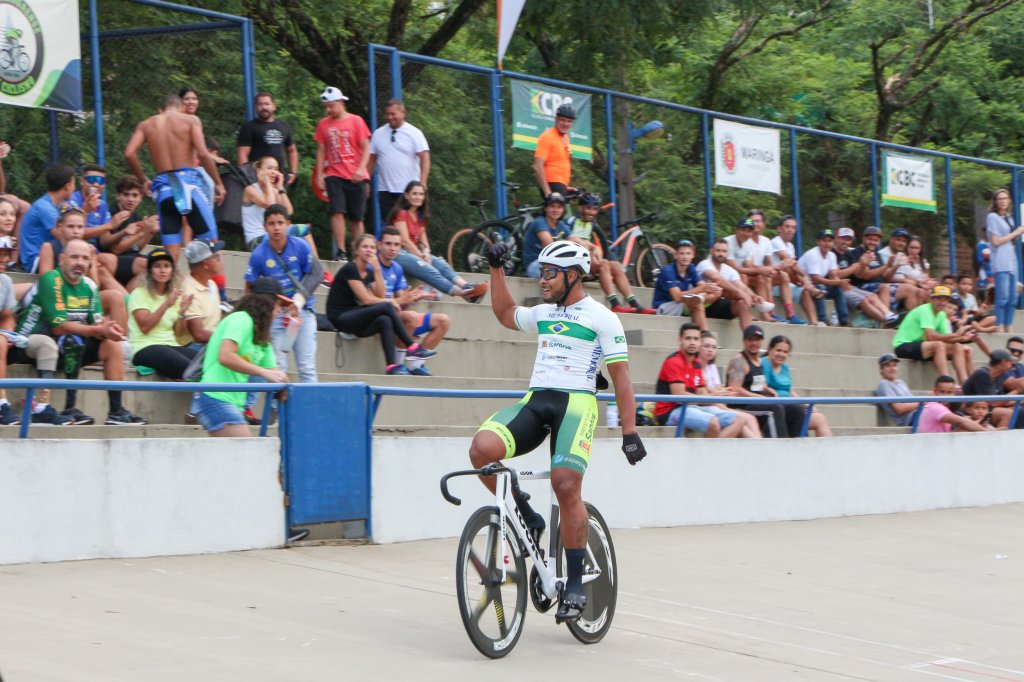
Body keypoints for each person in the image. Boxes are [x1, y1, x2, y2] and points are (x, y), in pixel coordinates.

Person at [469, 239, 646, 623]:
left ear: (573, 276)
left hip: (577, 405)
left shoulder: (603, 318)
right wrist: (496, 268)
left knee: (565, 485)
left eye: (550, 273)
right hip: (536, 401)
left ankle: (576, 584)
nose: (543, 280)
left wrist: (630, 433)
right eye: (541, 273)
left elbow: (621, 377)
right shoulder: (544, 312)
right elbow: (505, 313)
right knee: (481, 450)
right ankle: (526, 513)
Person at [15, 239, 147, 425]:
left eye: (85, 258)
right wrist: (97, 329)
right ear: (62, 259)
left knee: (111, 346)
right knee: (72, 340)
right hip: (30, 344)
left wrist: (108, 330)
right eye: (74, 257)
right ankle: (69, 408)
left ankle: (116, 412)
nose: (80, 263)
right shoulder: (52, 280)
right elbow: (59, 326)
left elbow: (96, 323)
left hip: (62, 345)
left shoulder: (90, 286)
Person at [123, 93, 226, 262]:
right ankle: (216, 280)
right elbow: (203, 154)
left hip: (164, 190)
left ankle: (171, 279)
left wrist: (143, 180)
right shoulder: (191, 120)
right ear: (183, 108)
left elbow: (129, 153)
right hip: (189, 187)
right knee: (212, 247)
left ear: (160, 110)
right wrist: (218, 183)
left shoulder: (146, 124)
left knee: (170, 255)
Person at [190, 277, 290, 437]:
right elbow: (225, 356)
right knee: (246, 448)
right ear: (266, 303)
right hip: (214, 397)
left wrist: (284, 384)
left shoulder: (262, 336)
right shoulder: (241, 319)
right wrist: (262, 372)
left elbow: (274, 373)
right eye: (278, 304)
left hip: (233, 403)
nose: (279, 311)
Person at [326, 233, 437, 375]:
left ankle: (391, 366)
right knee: (386, 306)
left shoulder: (369, 272)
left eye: (372, 247)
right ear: (356, 250)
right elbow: (366, 300)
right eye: (365, 247)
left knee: (385, 320)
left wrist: (377, 270)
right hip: (340, 318)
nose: (369, 250)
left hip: (355, 318)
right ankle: (412, 346)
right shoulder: (351, 268)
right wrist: (390, 301)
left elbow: (380, 295)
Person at [244, 204, 320, 385]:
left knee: (307, 367)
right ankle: (279, 403)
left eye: (280, 223)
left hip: (302, 313)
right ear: (264, 227)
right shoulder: (258, 254)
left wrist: (299, 300)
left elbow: (316, 273)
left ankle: (311, 403)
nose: (276, 228)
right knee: (278, 368)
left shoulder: (301, 246)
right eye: (271, 224)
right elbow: (250, 285)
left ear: (288, 224)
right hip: (276, 315)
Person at [654, 322, 760, 438]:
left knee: (739, 420)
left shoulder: (696, 364)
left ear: (699, 342)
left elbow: (701, 393)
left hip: (691, 407)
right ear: (680, 340)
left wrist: (715, 396)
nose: (692, 342)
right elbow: (679, 396)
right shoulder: (674, 361)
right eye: (688, 338)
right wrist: (711, 396)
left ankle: (714, 449)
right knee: (713, 423)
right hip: (670, 411)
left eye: (696, 339)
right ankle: (711, 449)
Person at [388, 181, 487, 301]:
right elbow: (404, 241)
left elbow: (423, 241)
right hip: (399, 253)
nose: (418, 197)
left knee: (440, 263)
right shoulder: (401, 213)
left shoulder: (420, 216)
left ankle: (466, 286)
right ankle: (463, 293)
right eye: (414, 193)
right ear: (406, 195)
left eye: (421, 194)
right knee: (428, 268)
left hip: (415, 253)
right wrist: (421, 257)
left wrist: (427, 254)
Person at [377, 227, 450, 376]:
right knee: (410, 316)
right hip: (379, 317)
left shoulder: (397, 268)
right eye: (388, 243)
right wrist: (403, 299)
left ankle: (414, 365)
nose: (392, 248)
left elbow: (402, 304)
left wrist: (413, 297)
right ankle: (398, 364)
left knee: (443, 321)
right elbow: (373, 302)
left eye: (396, 244)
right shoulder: (372, 266)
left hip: (397, 315)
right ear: (379, 245)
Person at [567, 193, 653, 314]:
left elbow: (602, 243)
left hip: (586, 262)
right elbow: (566, 240)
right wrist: (591, 249)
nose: (591, 212)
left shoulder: (591, 224)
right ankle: (615, 304)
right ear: (580, 208)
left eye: (594, 209)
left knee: (616, 266)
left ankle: (635, 305)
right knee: (604, 264)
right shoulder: (571, 221)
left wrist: (600, 254)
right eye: (588, 208)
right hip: (571, 263)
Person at [314, 86, 372, 261]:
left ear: (340, 102)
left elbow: (366, 147)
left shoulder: (356, 121)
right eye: (326, 107)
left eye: (331, 106)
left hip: (356, 175)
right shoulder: (323, 124)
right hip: (334, 173)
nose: (329, 110)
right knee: (337, 211)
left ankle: (358, 253)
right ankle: (341, 251)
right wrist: (319, 174)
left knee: (357, 218)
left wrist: (362, 168)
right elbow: (321, 150)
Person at [126, 249, 199, 379]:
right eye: (157, 266)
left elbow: (179, 333)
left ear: (172, 271)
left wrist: (182, 313)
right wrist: (166, 304)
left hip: (171, 344)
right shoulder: (139, 293)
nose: (162, 270)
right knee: (190, 369)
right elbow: (145, 327)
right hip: (143, 346)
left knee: (205, 363)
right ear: (150, 271)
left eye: (166, 266)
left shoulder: (173, 295)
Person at [725, 324, 803, 437]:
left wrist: (767, 391)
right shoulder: (739, 361)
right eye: (750, 339)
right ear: (744, 341)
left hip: (757, 403)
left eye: (757, 340)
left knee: (796, 409)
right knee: (774, 408)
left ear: (762, 341)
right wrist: (758, 397)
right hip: (740, 405)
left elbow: (756, 385)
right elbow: (734, 390)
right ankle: (779, 445)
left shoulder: (759, 361)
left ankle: (796, 443)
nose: (754, 343)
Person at [892, 285, 975, 384]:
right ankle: (946, 382)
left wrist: (962, 339)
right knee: (938, 345)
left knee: (958, 347)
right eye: (939, 299)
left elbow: (947, 338)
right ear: (932, 299)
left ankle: (965, 384)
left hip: (922, 345)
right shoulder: (925, 310)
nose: (942, 302)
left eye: (945, 300)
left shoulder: (941, 314)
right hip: (903, 345)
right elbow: (930, 336)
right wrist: (956, 334)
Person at [368, 99, 431, 222]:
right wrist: (365, 182)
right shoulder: (378, 134)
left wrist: (423, 182)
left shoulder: (414, 133)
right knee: (390, 227)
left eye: (393, 114)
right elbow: (372, 159)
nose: (390, 117)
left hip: (408, 191)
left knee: (409, 225)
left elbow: (425, 157)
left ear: (403, 112)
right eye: (387, 114)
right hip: (385, 190)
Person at [761, 334, 832, 436]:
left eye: (785, 352)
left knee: (819, 419)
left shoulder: (785, 367)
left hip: (792, 407)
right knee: (797, 411)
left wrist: (805, 404)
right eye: (778, 350)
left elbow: (789, 390)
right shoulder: (764, 363)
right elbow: (762, 388)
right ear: (770, 349)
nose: (781, 354)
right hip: (778, 409)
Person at [95, 176, 159, 287]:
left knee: (161, 261)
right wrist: (141, 233)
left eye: (135, 195)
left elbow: (135, 248)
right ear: (118, 195)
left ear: (141, 198)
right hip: (114, 260)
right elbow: (116, 249)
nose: (131, 199)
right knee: (152, 266)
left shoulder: (135, 216)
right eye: (126, 194)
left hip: (130, 258)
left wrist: (150, 232)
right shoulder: (111, 214)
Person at [696, 239, 766, 332]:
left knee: (742, 303)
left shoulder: (729, 270)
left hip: (722, 306)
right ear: (711, 251)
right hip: (705, 306)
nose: (721, 254)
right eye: (718, 250)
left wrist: (753, 296)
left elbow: (742, 286)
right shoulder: (704, 264)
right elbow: (717, 279)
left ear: (727, 253)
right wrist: (739, 292)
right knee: (730, 293)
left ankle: (749, 336)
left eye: (724, 251)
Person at [724, 216, 784, 323]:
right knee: (743, 276)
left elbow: (748, 266)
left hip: (736, 277)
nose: (746, 233)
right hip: (724, 277)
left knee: (760, 278)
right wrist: (760, 270)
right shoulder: (728, 242)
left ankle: (765, 314)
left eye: (749, 231)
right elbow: (733, 268)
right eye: (743, 230)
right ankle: (746, 312)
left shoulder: (748, 245)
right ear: (736, 229)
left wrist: (764, 271)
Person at [832, 227, 896, 326]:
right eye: (843, 238)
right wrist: (859, 264)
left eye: (848, 239)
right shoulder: (832, 253)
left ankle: (889, 315)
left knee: (873, 296)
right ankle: (886, 321)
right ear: (836, 238)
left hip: (849, 286)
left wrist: (863, 265)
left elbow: (858, 274)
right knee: (865, 300)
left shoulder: (848, 254)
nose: (845, 242)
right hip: (837, 288)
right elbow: (837, 274)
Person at [17, 165, 75, 273]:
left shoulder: (55, 206)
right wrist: (107, 226)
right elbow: (65, 236)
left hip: (46, 255)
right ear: (67, 186)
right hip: (34, 260)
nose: (74, 189)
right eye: (74, 184)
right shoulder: (45, 207)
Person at [652, 239, 722, 327]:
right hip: (665, 307)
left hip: (682, 304)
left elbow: (703, 285)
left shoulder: (691, 267)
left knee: (717, 293)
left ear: (693, 255)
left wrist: (711, 288)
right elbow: (677, 297)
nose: (685, 257)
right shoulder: (668, 271)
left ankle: (700, 302)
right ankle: (704, 333)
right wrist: (702, 290)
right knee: (697, 304)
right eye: (682, 253)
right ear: (676, 255)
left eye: (688, 253)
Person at [236, 91, 299, 186]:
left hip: (279, 180)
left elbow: (292, 151)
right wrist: (249, 177)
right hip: (259, 180)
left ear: (274, 106)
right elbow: (242, 154)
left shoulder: (284, 126)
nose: (264, 107)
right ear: (256, 107)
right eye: (260, 104)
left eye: (267, 104)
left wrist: (293, 172)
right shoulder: (249, 127)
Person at [985, 188, 1024, 333]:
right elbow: (996, 241)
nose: (1002, 201)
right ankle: (1000, 325)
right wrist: (1016, 233)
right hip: (1001, 262)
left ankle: (1009, 324)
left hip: (1012, 261)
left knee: (1013, 297)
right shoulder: (992, 217)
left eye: (1005, 198)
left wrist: (1017, 234)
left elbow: (1010, 240)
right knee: (1003, 297)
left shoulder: (1008, 217)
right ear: (995, 202)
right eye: (999, 199)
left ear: (1009, 201)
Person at [797, 229, 850, 326]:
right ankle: (822, 319)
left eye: (830, 241)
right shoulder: (812, 254)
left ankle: (844, 320)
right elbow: (815, 279)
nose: (827, 243)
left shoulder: (832, 255)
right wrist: (838, 282)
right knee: (820, 287)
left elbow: (833, 275)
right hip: (804, 285)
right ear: (818, 242)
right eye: (824, 240)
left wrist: (841, 283)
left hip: (817, 285)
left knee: (838, 290)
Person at [179, 238, 225, 347]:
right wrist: (226, 337)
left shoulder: (211, 284)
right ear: (205, 264)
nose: (219, 260)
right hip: (195, 347)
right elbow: (199, 335)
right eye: (216, 257)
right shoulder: (188, 292)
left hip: (212, 342)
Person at [769, 216, 815, 324]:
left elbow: (793, 265)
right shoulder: (776, 241)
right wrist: (805, 278)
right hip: (774, 283)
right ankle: (791, 315)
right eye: (787, 227)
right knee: (790, 271)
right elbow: (790, 262)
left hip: (785, 282)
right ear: (779, 228)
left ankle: (814, 322)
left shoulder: (790, 245)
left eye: (793, 227)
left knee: (805, 291)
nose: (790, 230)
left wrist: (802, 278)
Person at [241, 156, 293, 250]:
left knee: (304, 230)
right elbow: (270, 207)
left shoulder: (275, 191)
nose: (273, 172)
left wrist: (280, 187)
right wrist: (267, 183)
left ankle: (313, 260)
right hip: (255, 240)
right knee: (301, 230)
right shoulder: (250, 190)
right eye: (269, 168)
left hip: (274, 235)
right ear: (259, 171)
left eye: (276, 169)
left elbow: (288, 211)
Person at [961, 348, 1018, 429]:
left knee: (1019, 409)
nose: (1012, 364)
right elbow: (994, 403)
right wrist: (1017, 391)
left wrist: (1020, 401)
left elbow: (1000, 400)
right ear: (1003, 362)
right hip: (972, 411)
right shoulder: (982, 374)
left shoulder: (998, 375)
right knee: (1008, 413)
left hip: (986, 409)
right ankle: (999, 436)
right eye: (1010, 361)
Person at [522, 192, 572, 278]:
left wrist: (592, 249)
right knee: (562, 271)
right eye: (552, 206)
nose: (555, 210)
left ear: (563, 210)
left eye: (559, 207)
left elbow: (577, 240)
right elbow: (551, 247)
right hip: (534, 265)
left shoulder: (561, 224)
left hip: (552, 263)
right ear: (545, 208)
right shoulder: (539, 222)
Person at [916, 375, 986, 434]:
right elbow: (961, 422)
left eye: (949, 392)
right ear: (935, 391)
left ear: (953, 393)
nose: (945, 395)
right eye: (942, 392)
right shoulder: (935, 407)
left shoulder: (937, 405)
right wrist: (988, 432)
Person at [533, 103, 576, 198]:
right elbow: (537, 166)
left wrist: (565, 187)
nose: (565, 124)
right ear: (556, 119)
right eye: (562, 120)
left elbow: (560, 164)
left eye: (569, 121)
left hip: (561, 184)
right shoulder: (547, 136)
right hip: (551, 183)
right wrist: (547, 192)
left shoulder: (566, 138)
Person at [874, 353, 917, 427]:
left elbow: (913, 401)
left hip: (917, 414)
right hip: (909, 420)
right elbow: (899, 408)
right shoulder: (883, 384)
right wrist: (921, 404)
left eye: (894, 365)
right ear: (881, 369)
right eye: (888, 366)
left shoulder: (901, 382)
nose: (892, 369)